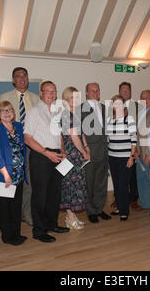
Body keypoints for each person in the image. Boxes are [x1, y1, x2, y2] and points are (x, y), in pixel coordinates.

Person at [24, 81, 69, 243]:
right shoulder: (33, 112)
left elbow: (58, 136)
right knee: (40, 196)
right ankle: (39, 230)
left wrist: (62, 151)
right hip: (41, 156)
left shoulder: (57, 112)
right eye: (47, 91)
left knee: (54, 194)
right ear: (41, 93)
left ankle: (51, 224)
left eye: (53, 91)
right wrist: (46, 152)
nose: (51, 94)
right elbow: (27, 138)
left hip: (56, 155)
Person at [0, 67, 40, 227]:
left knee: (30, 180)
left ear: (28, 79)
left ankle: (27, 213)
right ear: (13, 80)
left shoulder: (36, 98)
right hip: (12, 147)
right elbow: (1, 121)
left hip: (32, 145)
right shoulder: (5, 97)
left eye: (24, 76)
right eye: (18, 76)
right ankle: (11, 217)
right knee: (11, 181)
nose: (22, 79)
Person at [0, 101, 27, 246]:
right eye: (3, 111)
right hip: (2, 177)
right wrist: (6, 175)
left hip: (18, 175)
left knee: (16, 207)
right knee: (4, 209)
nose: (7, 113)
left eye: (9, 110)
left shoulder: (18, 127)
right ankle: (7, 237)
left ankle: (16, 233)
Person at [80, 83, 112, 223]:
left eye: (97, 90)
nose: (95, 93)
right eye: (92, 90)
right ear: (86, 93)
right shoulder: (80, 109)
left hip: (104, 151)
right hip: (89, 152)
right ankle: (91, 211)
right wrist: (84, 149)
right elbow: (79, 132)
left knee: (101, 182)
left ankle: (99, 209)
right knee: (89, 183)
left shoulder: (104, 108)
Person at [59, 87, 89, 229]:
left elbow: (81, 134)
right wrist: (83, 151)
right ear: (66, 99)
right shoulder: (66, 114)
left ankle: (72, 215)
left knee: (75, 185)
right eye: (72, 97)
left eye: (77, 97)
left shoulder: (74, 114)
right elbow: (73, 136)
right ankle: (70, 218)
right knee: (70, 186)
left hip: (77, 154)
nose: (75, 100)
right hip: (71, 155)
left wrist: (87, 147)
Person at [107, 95, 137, 221]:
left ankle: (124, 211)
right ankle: (119, 207)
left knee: (123, 185)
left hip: (125, 158)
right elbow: (108, 140)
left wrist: (131, 157)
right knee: (117, 185)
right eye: (116, 104)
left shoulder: (129, 119)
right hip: (112, 157)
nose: (118, 106)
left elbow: (134, 140)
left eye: (120, 104)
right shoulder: (109, 120)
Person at [119, 82, 142, 211]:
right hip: (119, 147)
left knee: (133, 176)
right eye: (123, 90)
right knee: (120, 176)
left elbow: (140, 129)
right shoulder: (113, 107)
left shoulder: (138, 107)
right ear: (119, 92)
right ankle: (120, 199)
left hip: (133, 146)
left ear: (131, 92)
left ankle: (133, 200)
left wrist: (137, 148)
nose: (125, 92)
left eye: (127, 90)